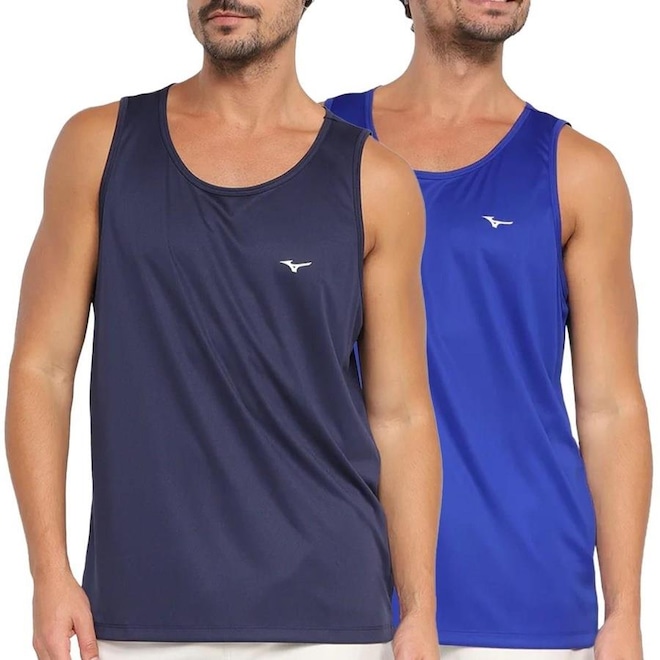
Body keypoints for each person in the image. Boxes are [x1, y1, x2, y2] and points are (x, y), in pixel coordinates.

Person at [5, 1, 443, 659]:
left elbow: (401, 414)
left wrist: (420, 611)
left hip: (330, 615)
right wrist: (48, 572)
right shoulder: (99, 146)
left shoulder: (375, 180)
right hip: (138, 615)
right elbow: (42, 367)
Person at [327, 0, 652, 658]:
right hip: (338, 591)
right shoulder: (317, 143)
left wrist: (624, 612)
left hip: (525, 595)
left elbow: (611, 406)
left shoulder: (578, 171)